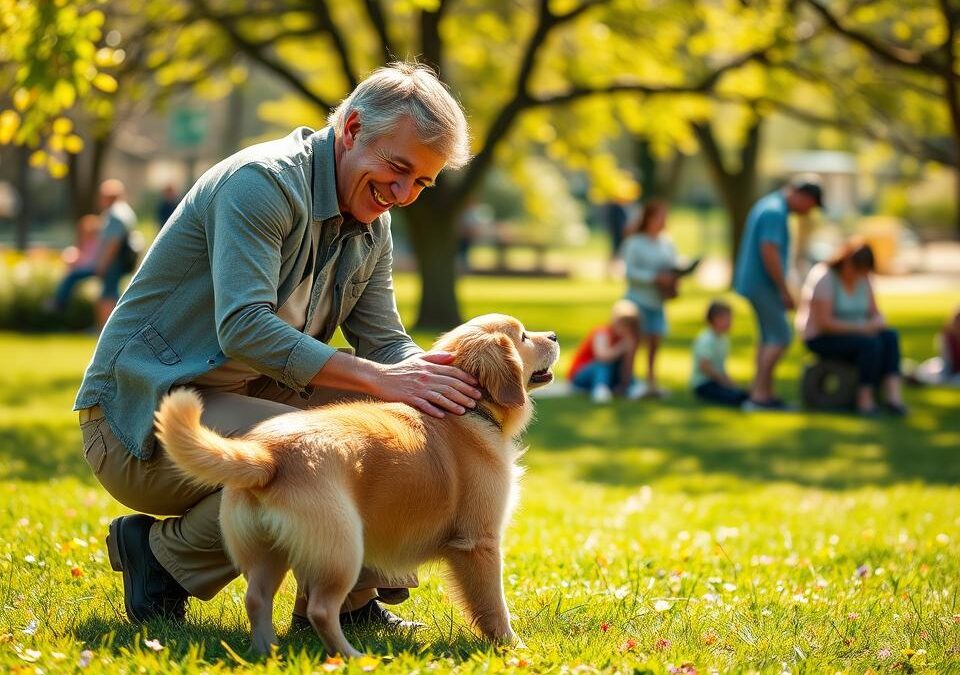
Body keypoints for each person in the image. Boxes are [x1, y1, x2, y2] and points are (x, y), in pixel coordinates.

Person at [74, 63, 482, 631]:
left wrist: (444, 385)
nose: (403, 193)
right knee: (315, 455)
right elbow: (242, 325)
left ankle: (344, 604)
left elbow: (386, 342)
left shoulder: (372, 220)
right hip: (141, 420)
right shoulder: (261, 184)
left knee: (392, 424)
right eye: (398, 168)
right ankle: (162, 558)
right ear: (353, 128)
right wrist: (380, 379)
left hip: (245, 400)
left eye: (422, 183)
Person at [734, 175, 823, 410]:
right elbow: (769, 251)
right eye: (811, 204)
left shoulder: (771, 205)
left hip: (755, 283)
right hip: (762, 284)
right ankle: (760, 396)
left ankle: (761, 391)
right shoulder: (775, 211)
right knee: (781, 336)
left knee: (767, 338)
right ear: (801, 196)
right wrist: (784, 289)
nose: (810, 210)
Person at [796, 238, 907, 415]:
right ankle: (865, 398)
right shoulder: (824, 277)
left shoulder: (865, 279)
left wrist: (878, 322)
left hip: (857, 333)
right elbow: (824, 324)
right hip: (821, 337)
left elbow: (874, 312)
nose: (858, 276)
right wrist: (862, 328)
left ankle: (893, 397)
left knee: (890, 337)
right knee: (870, 345)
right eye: (856, 270)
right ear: (847, 262)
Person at [621, 198, 676, 398]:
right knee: (634, 343)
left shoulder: (667, 242)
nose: (662, 221)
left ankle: (651, 383)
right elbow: (630, 272)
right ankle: (627, 383)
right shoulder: (634, 243)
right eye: (659, 216)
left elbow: (672, 264)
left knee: (655, 343)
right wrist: (654, 278)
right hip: (638, 300)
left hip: (658, 300)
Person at [568, 300, 642, 402]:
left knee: (619, 364)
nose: (626, 328)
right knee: (604, 364)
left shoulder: (629, 339)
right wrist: (622, 347)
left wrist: (624, 383)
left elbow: (628, 365)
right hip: (582, 375)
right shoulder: (602, 332)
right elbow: (602, 356)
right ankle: (600, 388)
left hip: (609, 374)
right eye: (623, 324)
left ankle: (630, 387)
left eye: (630, 325)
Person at [690, 300, 750, 406]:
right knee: (734, 396)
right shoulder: (706, 339)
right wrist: (722, 380)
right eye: (727, 319)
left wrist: (728, 381)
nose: (730, 322)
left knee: (740, 393)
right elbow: (704, 367)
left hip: (716, 381)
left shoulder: (723, 339)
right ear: (715, 319)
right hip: (704, 384)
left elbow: (720, 366)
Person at [49, 214, 102, 314]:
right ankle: (59, 301)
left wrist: (76, 261)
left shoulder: (96, 243)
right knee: (69, 275)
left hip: (92, 269)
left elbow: (90, 261)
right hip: (85, 268)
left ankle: (59, 302)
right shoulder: (84, 242)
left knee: (71, 276)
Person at [910, 308, 960, 385]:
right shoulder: (946, 337)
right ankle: (917, 376)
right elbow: (947, 362)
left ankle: (919, 378)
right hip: (948, 369)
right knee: (931, 368)